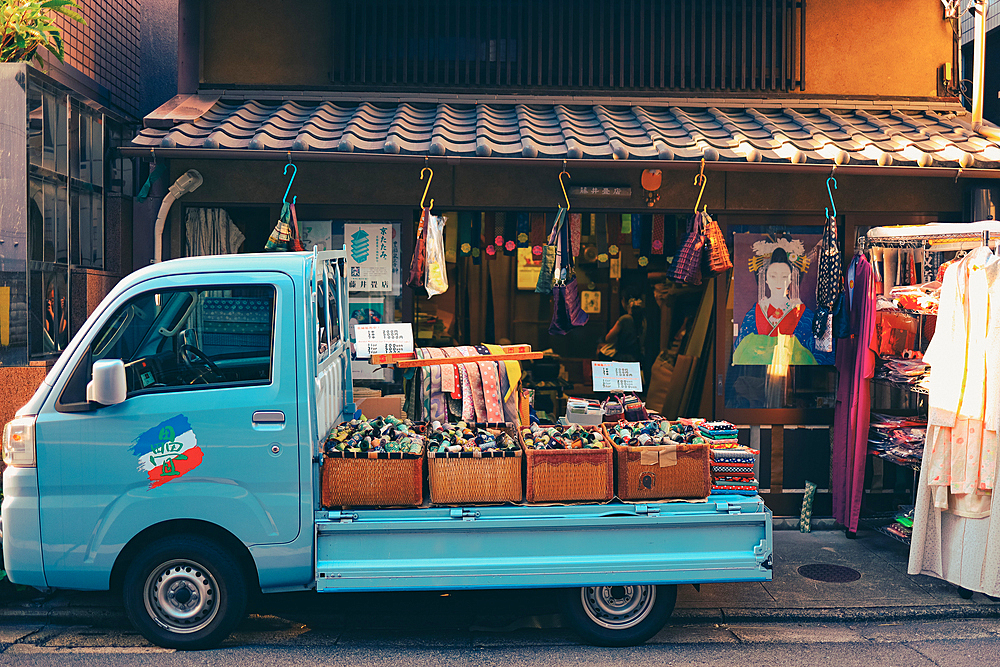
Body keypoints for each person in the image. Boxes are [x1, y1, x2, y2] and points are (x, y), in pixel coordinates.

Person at [733, 245, 832, 366]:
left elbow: (818, 355)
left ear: (791, 279)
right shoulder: (753, 314)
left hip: (795, 377)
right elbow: (740, 354)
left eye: (784, 276)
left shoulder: (804, 315)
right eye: (773, 276)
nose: (779, 281)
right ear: (766, 279)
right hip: (758, 377)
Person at [599, 293, 646, 363]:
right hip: (637, 356)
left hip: (622, 357)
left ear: (623, 301)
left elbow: (608, 338)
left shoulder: (625, 319)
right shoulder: (643, 320)